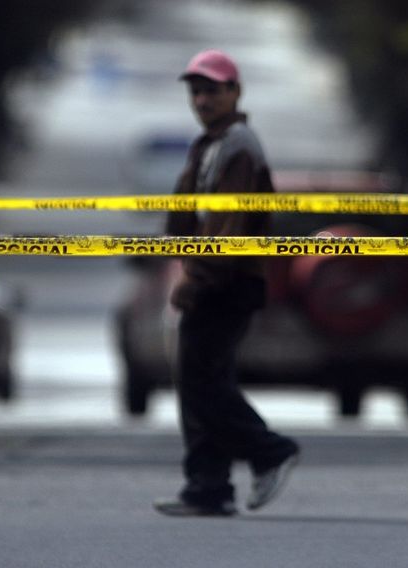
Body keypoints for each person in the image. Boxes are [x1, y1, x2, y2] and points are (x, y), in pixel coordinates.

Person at [153, 49, 300, 517]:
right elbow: (188, 216)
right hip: (215, 275)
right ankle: (208, 487)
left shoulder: (239, 147)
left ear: (236, 92)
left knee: (202, 384)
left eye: (212, 90)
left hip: (227, 280)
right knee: (200, 379)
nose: (202, 100)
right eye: (196, 92)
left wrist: (195, 278)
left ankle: (269, 451)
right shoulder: (210, 145)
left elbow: (228, 227)